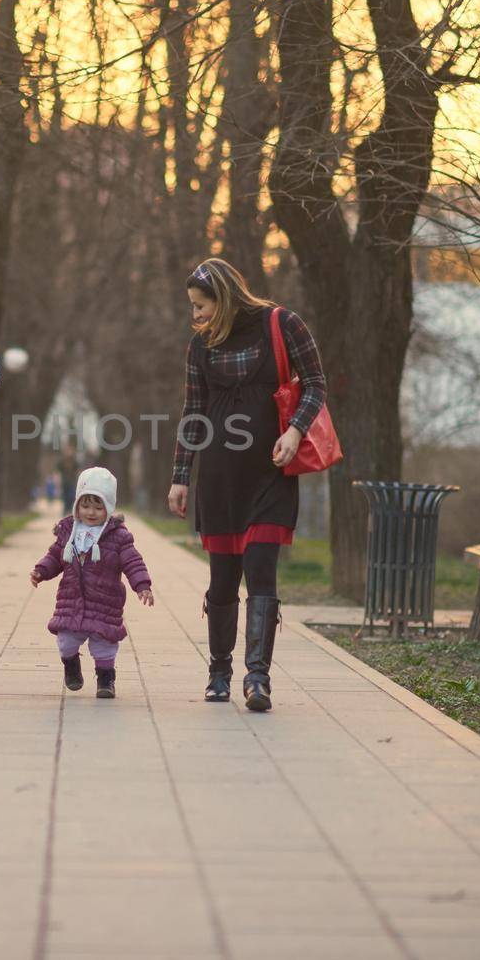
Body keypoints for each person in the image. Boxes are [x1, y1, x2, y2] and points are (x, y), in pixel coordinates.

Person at [167, 258, 326, 713]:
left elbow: (315, 383)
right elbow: (192, 412)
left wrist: (295, 429)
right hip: (218, 477)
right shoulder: (200, 348)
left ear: (225, 297)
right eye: (193, 307)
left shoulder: (281, 324)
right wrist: (180, 478)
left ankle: (258, 678)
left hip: (270, 474)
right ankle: (219, 671)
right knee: (222, 580)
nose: (195, 316)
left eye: (201, 306)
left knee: (260, 567)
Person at [30, 467, 154, 699]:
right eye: (85, 506)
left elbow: (133, 562)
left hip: (104, 603)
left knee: (104, 646)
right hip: (71, 601)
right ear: (77, 505)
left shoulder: (118, 537)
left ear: (109, 508)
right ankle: (71, 666)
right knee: (66, 642)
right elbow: (55, 556)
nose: (91, 512)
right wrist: (41, 571)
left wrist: (142, 585)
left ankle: (106, 680)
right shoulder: (68, 532)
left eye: (99, 507)